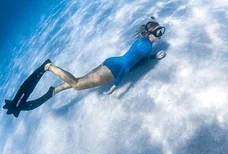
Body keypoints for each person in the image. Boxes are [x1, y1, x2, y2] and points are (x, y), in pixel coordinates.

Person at [22, 17, 166, 111]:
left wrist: (153, 57)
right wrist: (115, 86)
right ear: (151, 33)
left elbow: (134, 60)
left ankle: (54, 90)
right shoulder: (146, 47)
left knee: (79, 80)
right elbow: (127, 67)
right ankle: (49, 66)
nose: (161, 35)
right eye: (159, 32)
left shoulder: (142, 41)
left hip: (112, 62)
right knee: (77, 84)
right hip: (113, 71)